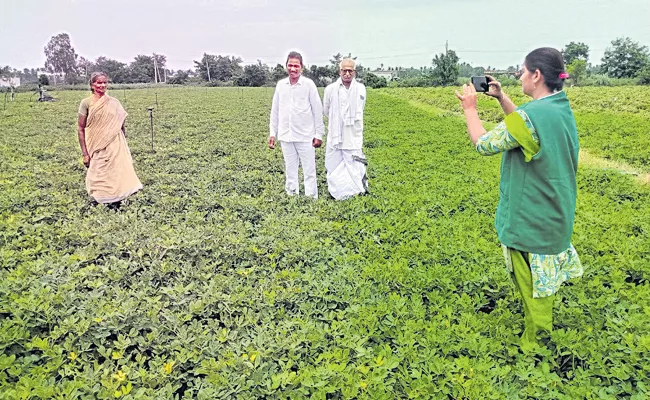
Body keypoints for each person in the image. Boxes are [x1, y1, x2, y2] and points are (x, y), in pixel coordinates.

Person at [455, 47, 583, 346]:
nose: (519, 76)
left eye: (523, 71)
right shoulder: (558, 107)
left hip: (531, 217)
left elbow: (484, 143)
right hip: (554, 209)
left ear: (536, 75)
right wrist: (501, 98)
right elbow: (526, 128)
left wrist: (470, 109)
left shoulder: (531, 116)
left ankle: (535, 348)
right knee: (542, 284)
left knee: (534, 289)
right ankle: (538, 334)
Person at [77, 72, 142, 207]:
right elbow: (80, 128)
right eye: (99, 82)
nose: (102, 85)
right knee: (98, 172)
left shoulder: (114, 102)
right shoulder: (86, 103)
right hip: (96, 145)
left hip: (114, 143)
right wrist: (84, 153)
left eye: (105, 82)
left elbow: (120, 125)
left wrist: (123, 143)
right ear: (92, 85)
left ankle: (116, 198)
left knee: (116, 171)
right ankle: (101, 199)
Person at [268, 51, 324, 199]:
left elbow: (317, 110)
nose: (293, 69)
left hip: (305, 136)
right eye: (290, 65)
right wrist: (272, 133)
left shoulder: (308, 85)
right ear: (286, 66)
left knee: (309, 171)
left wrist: (319, 135)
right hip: (286, 135)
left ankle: (311, 199)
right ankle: (292, 198)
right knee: (290, 170)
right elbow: (275, 111)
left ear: (302, 67)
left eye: (296, 66)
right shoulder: (281, 85)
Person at [323, 58, 368, 200]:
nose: (347, 73)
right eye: (344, 70)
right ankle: (337, 193)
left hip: (353, 134)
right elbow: (326, 110)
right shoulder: (330, 89)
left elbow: (361, 107)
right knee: (334, 165)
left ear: (354, 72)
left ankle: (356, 191)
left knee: (354, 166)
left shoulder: (361, 88)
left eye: (350, 70)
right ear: (339, 71)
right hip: (336, 135)